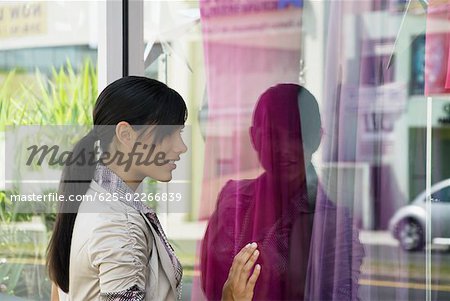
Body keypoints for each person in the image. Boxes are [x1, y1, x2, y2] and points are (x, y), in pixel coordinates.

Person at [46, 76, 261, 301]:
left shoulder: (89, 194)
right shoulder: (120, 227)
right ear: (126, 135)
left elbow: (58, 294)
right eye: (170, 134)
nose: (182, 147)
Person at [200, 83, 364, 300]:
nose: (285, 148)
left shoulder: (332, 222)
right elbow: (212, 283)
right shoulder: (233, 199)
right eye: (273, 135)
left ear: (317, 139)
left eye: (296, 136)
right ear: (253, 137)